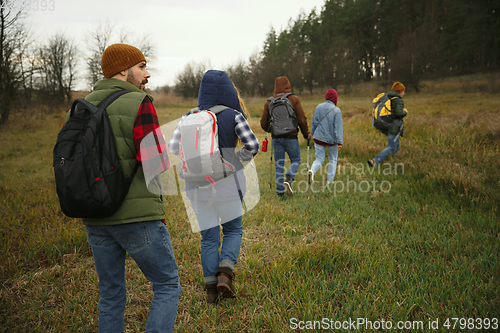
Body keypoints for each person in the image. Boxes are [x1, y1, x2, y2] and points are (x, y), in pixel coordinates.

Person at [73, 43, 181, 332]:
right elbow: (155, 163)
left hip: (95, 218)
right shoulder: (140, 103)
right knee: (167, 284)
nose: (147, 75)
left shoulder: (82, 107)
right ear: (123, 70)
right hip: (138, 218)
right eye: (141, 67)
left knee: (110, 295)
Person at [168, 70, 259, 304]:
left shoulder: (189, 116)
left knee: (208, 239)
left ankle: (210, 291)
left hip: (197, 187)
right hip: (228, 185)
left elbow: (174, 147)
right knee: (233, 230)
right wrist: (232, 162)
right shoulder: (234, 115)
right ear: (229, 90)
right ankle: (225, 274)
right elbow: (252, 145)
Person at [260, 76, 311, 197]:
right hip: (291, 137)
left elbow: (263, 124)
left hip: (277, 138)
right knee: (296, 160)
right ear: (288, 85)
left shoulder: (269, 102)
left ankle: (280, 192)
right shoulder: (294, 99)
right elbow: (302, 120)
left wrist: (274, 130)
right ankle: (290, 176)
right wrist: (306, 134)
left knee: (279, 163)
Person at [308, 88, 343, 186]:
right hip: (332, 140)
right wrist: (339, 141)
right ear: (335, 98)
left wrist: (313, 134)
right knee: (333, 159)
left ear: (326, 97)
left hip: (318, 138)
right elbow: (338, 129)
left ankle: (312, 170)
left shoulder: (318, 107)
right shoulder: (337, 111)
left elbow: (314, 123)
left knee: (319, 159)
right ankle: (329, 182)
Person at [368, 82, 408, 166]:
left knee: (396, 145)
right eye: (403, 91)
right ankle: (375, 161)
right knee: (392, 147)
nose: (404, 93)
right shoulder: (398, 100)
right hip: (393, 127)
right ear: (400, 91)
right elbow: (398, 114)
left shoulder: (388, 98)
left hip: (386, 125)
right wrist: (405, 112)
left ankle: (394, 162)